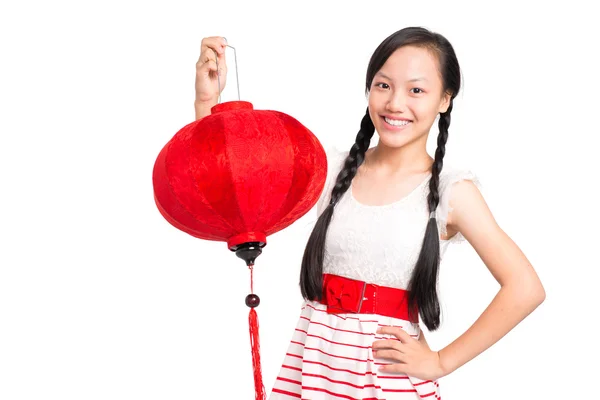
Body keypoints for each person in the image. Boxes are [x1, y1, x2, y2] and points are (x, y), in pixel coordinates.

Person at [194, 27, 545, 400]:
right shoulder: (329, 170)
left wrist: (441, 361)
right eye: (383, 85)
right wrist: (207, 103)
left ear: (445, 99)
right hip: (314, 370)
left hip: (386, 379)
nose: (395, 103)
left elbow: (525, 288)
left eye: (416, 90)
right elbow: (233, 182)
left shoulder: (451, 192)